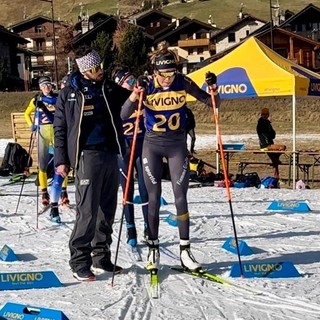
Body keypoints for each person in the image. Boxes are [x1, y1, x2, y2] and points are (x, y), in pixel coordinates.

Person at [121, 41, 220, 272]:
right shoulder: (146, 86)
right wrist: (136, 93)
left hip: (177, 145)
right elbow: (124, 114)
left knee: (180, 197)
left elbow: (213, 103)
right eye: (163, 75)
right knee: (153, 198)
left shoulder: (182, 82)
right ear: (155, 72)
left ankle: (185, 251)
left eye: (171, 73)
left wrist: (214, 89)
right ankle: (153, 249)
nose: (167, 79)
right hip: (152, 145)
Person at [54, 48, 131, 281]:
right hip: (87, 155)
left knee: (106, 210)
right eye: (96, 68)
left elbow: (129, 99)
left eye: (102, 65)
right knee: (87, 211)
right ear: (84, 70)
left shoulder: (108, 88)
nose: (101, 71)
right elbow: (61, 129)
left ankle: (101, 256)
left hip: (110, 153)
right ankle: (79, 260)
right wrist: (61, 160)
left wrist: (138, 90)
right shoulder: (69, 93)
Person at [24, 76, 69, 223]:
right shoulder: (36, 99)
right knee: (42, 164)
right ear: (40, 87)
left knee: (61, 163)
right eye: (43, 86)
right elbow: (26, 113)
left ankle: (63, 192)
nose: (46, 88)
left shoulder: (58, 97)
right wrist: (32, 124)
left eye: (48, 85)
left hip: (56, 132)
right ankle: (44, 193)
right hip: (42, 132)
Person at [112, 67, 149, 248]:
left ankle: (149, 226)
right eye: (128, 80)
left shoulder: (143, 95)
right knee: (127, 190)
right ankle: (130, 227)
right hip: (125, 149)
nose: (132, 82)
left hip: (142, 146)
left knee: (145, 188)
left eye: (133, 78)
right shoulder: (118, 99)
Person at [256, 107, 286, 179]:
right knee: (281, 148)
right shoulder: (260, 124)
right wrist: (268, 141)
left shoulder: (268, 123)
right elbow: (264, 135)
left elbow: (273, 134)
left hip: (270, 143)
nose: (265, 116)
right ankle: (276, 170)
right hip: (265, 145)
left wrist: (270, 136)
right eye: (263, 114)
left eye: (266, 114)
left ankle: (275, 167)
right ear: (261, 115)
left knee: (278, 153)